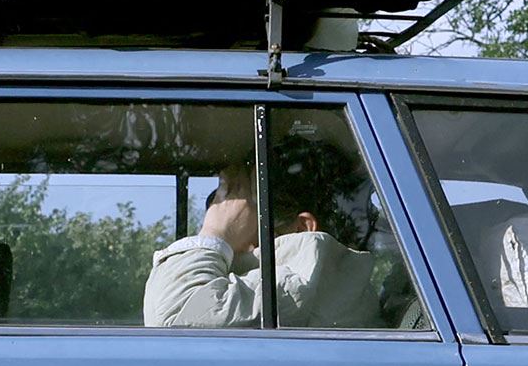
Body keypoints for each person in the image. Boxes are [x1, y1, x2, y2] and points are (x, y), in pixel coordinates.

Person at [143, 139, 379, 329]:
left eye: (242, 222)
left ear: (302, 229)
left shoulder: (302, 283)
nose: (233, 250)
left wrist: (215, 233)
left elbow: (173, 317)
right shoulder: (332, 287)